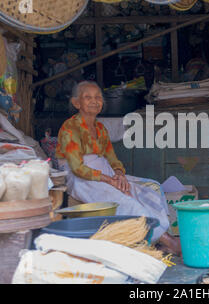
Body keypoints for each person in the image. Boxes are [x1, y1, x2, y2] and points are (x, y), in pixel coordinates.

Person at [56, 81, 180, 255]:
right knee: (127, 202)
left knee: (151, 188)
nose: (94, 101)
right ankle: (169, 241)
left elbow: (112, 158)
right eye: (87, 97)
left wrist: (119, 175)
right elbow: (77, 168)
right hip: (82, 179)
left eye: (98, 97)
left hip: (106, 174)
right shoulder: (69, 128)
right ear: (76, 103)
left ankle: (157, 239)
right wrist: (110, 181)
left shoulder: (100, 128)